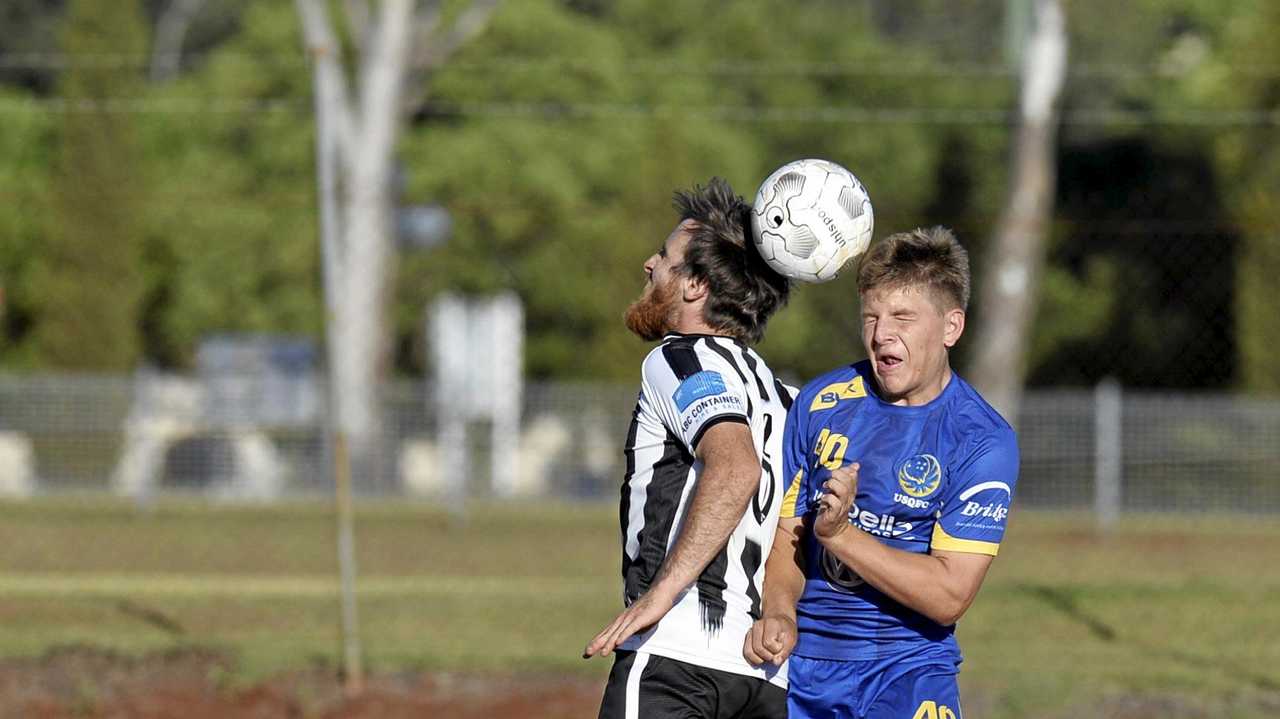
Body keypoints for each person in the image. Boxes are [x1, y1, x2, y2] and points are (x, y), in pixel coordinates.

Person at [743, 227, 1019, 719]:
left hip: (909, 670)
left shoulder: (982, 439)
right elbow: (788, 536)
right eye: (871, 316)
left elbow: (948, 596)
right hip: (806, 671)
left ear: (951, 328)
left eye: (903, 318)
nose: (880, 334)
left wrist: (840, 535)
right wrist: (779, 610)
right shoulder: (821, 403)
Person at [583, 178, 794, 719]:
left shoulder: (681, 359)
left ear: (696, 285)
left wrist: (659, 596)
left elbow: (736, 467)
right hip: (763, 679)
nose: (648, 264)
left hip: (676, 664)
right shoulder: (783, 395)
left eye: (664, 256)